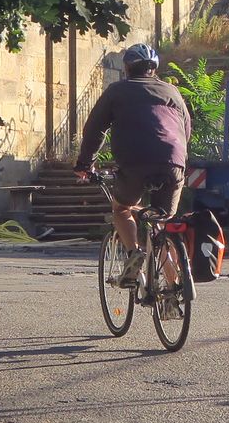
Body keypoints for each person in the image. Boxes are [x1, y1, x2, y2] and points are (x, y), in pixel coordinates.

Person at [73, 44, 192, 289]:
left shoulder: (117, 91)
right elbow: (186, 131)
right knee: (162, 224)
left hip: (134, 162)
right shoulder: (173, 92)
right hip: (174, 161)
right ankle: (173, 290)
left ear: (127, 68)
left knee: (122, 208)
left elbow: (95, 129)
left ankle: (134, 253)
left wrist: (85, 164)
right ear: (154, 69)